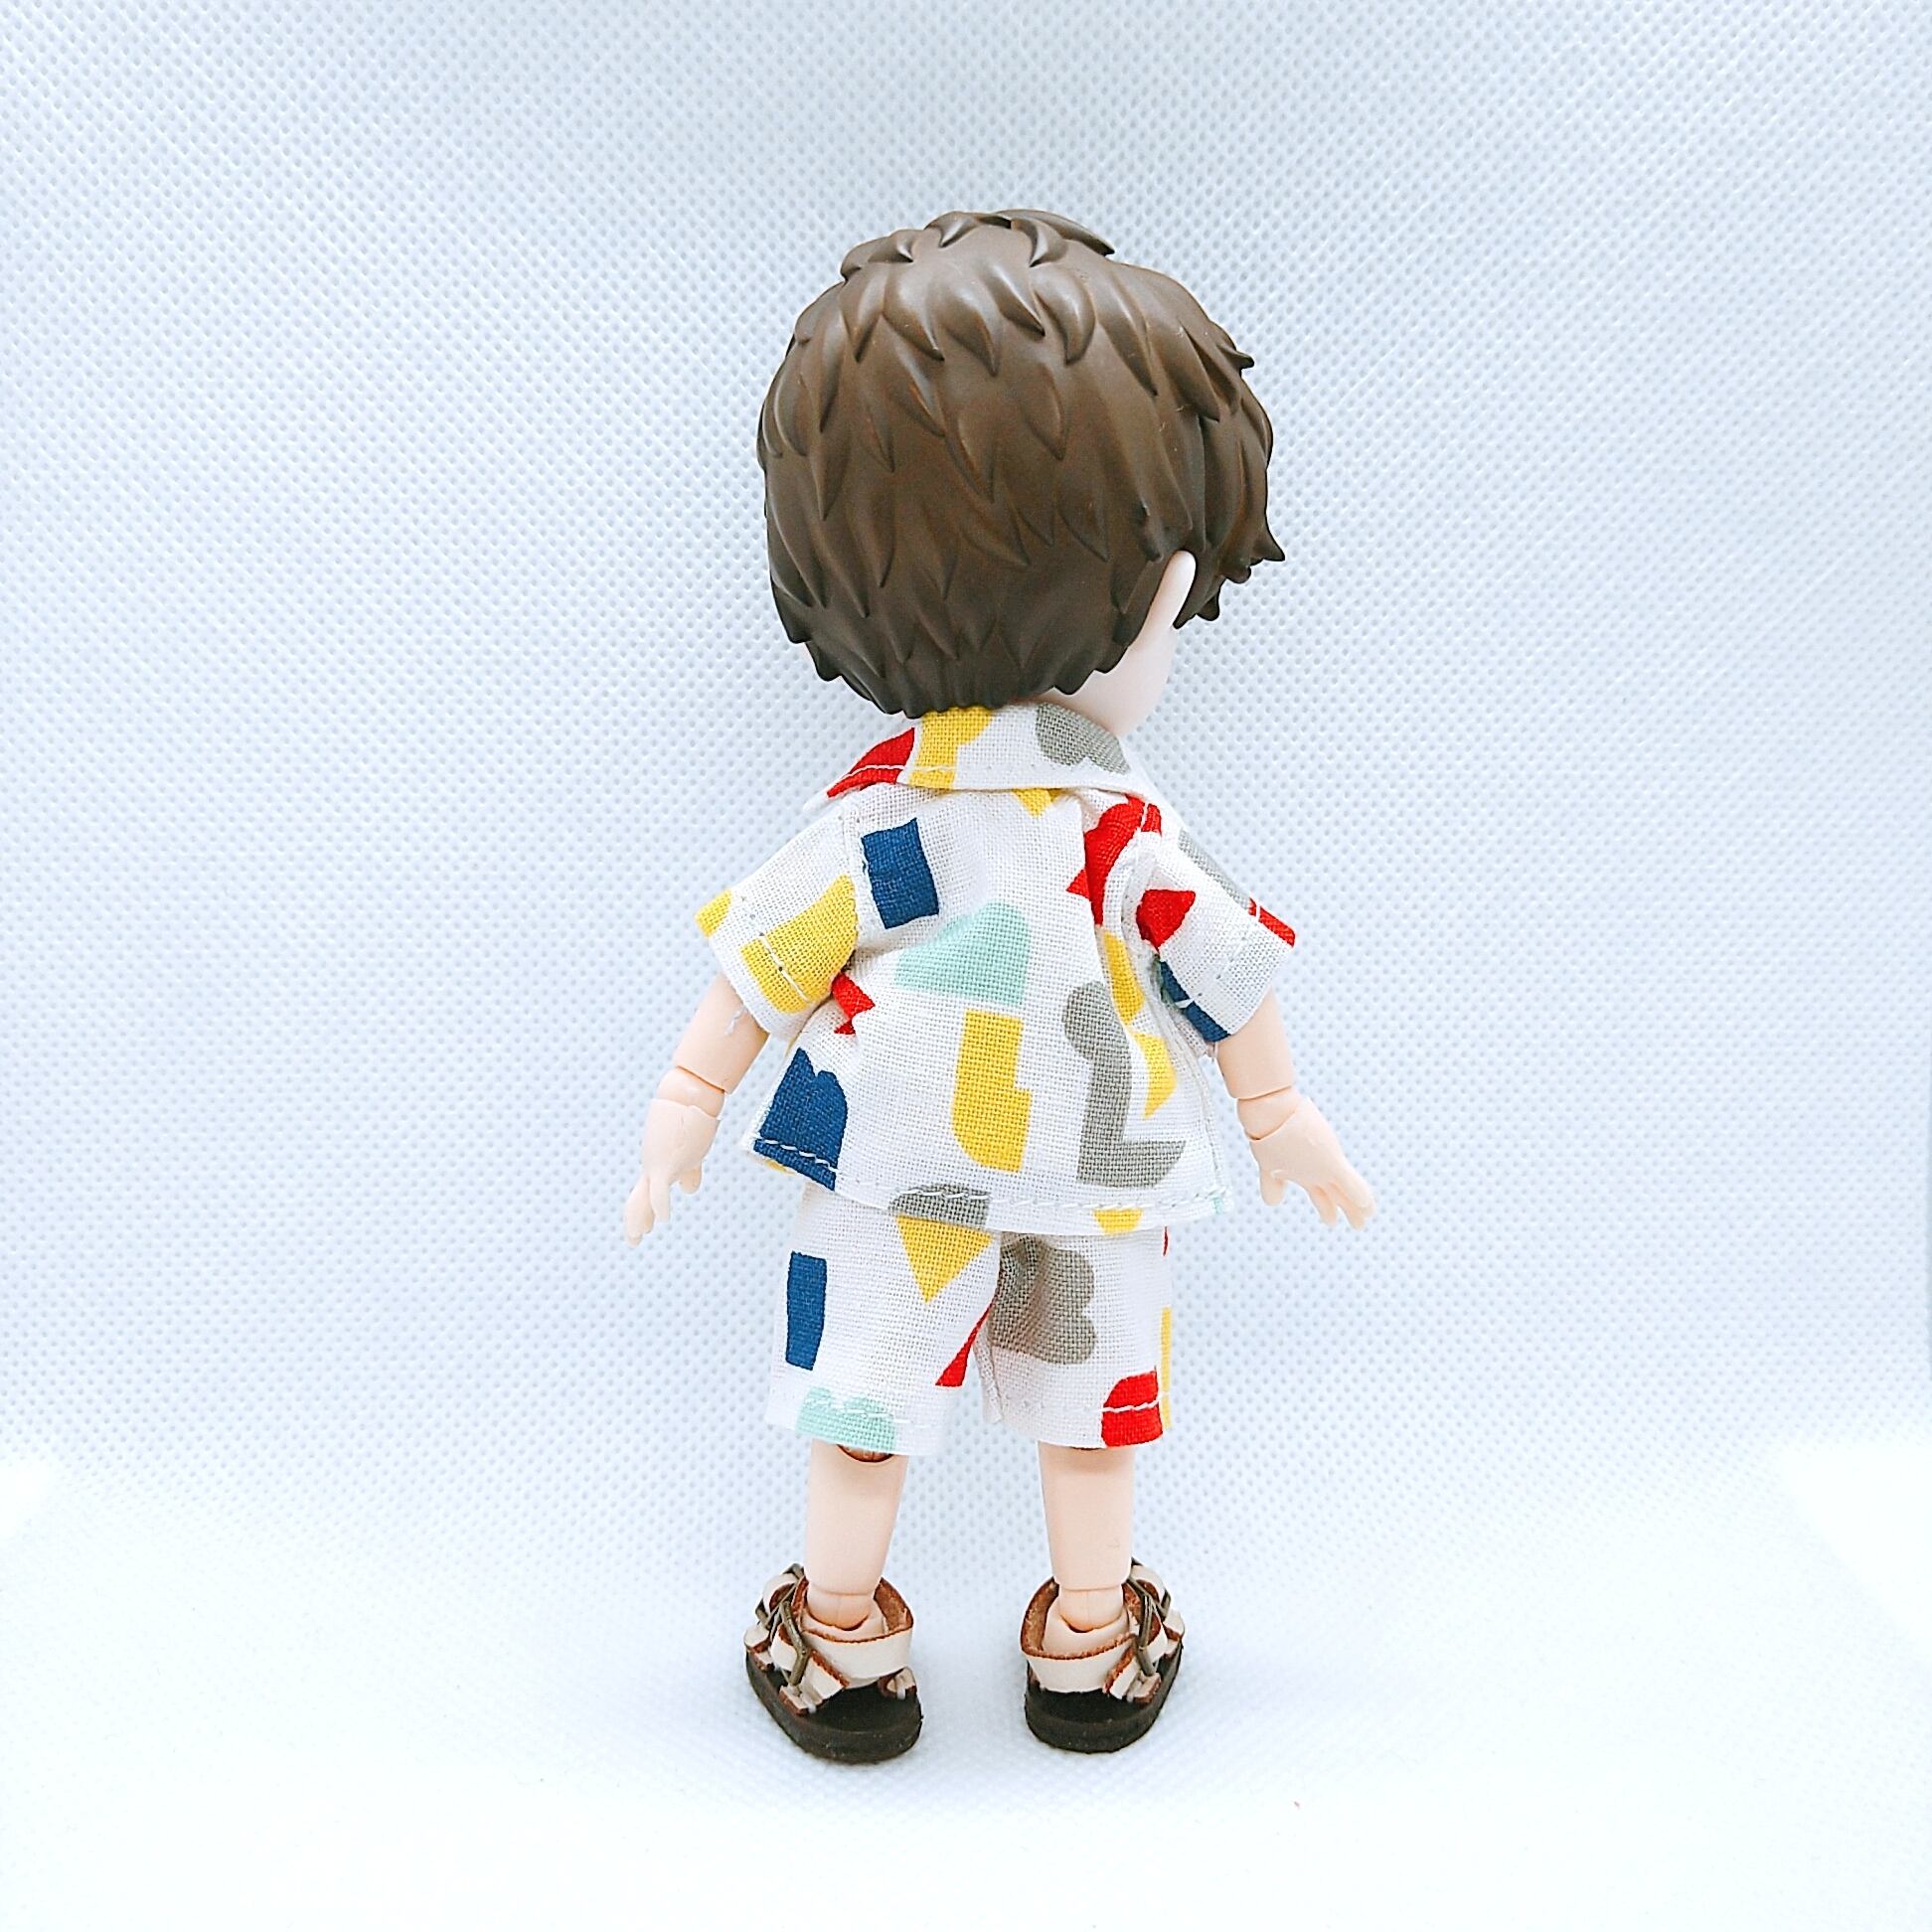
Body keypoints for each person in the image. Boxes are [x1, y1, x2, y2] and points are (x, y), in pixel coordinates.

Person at [624, 210, 1374, 1761]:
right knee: (1093, 1428)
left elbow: (768, 963)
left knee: (864, 1412)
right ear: (1145, 593)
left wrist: (687, 1101)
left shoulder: (881, 819)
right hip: (1099, 1180)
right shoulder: (1121, 830)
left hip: (896, 1174)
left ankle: (840, 1638)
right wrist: (1280, 1117)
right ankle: (1092, 1642)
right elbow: (1222, 969)